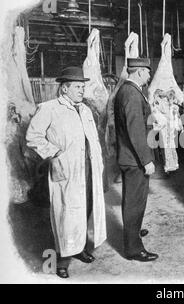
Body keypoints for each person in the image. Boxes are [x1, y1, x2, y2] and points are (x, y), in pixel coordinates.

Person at [26, 66, 107, 278]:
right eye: (78, 87)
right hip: (67, 170)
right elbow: (33, 137)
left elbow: (92, 139)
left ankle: (79, 249)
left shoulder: (86, 110)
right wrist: (54, 153)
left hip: (88, 169)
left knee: (86, 209)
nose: (82, 90)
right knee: (66, 217)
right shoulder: (49, 108)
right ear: (64, 89)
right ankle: (61, 261)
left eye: (83, 86)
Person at [114, 58, 158, 262]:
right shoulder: (131, 93)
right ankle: (133, 248)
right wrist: (146, 160)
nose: (150, 76)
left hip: (131, 157)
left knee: (134, 201)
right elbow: (136, 131)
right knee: (134, 202)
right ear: (140, 72)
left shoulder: (130, 90)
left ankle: (133, 233)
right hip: (134, 159)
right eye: (148, 72)